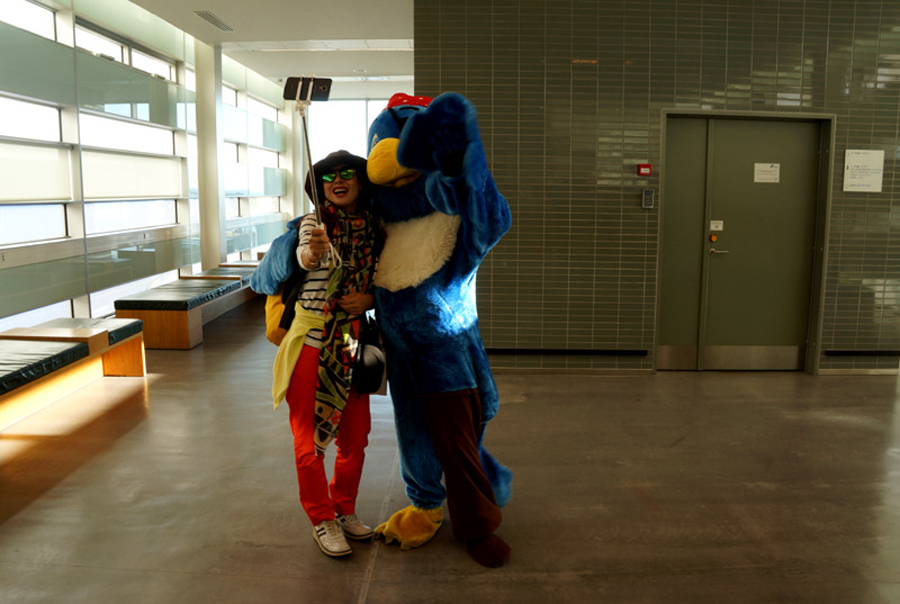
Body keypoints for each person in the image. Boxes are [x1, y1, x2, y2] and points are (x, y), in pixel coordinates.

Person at [269, 150, 382, 558]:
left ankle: (343, 507)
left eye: (347, 173)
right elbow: (305, 255)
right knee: (309, 440)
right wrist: (314, 251)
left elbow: (383, 278)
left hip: (350, 340)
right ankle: (321, 516)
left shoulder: (374, 228)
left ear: (360, 182)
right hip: (310, 343)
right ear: (319, 187)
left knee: (356, 435)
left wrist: (369, 298)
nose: (339, 180)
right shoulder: (313, 223)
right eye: (329, 176)